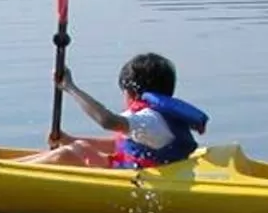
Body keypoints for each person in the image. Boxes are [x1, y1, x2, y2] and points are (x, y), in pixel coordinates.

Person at [14, 52, 209, 168]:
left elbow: (107, 121)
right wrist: (68, 139)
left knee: (66, 155)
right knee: (77, 147)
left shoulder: (149, 120)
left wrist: (69, 87)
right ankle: (5, 166)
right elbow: (119, 146)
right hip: (138, 173)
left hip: (139, 182)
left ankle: (0, 172)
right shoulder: (152, 119)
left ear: (132, 91)